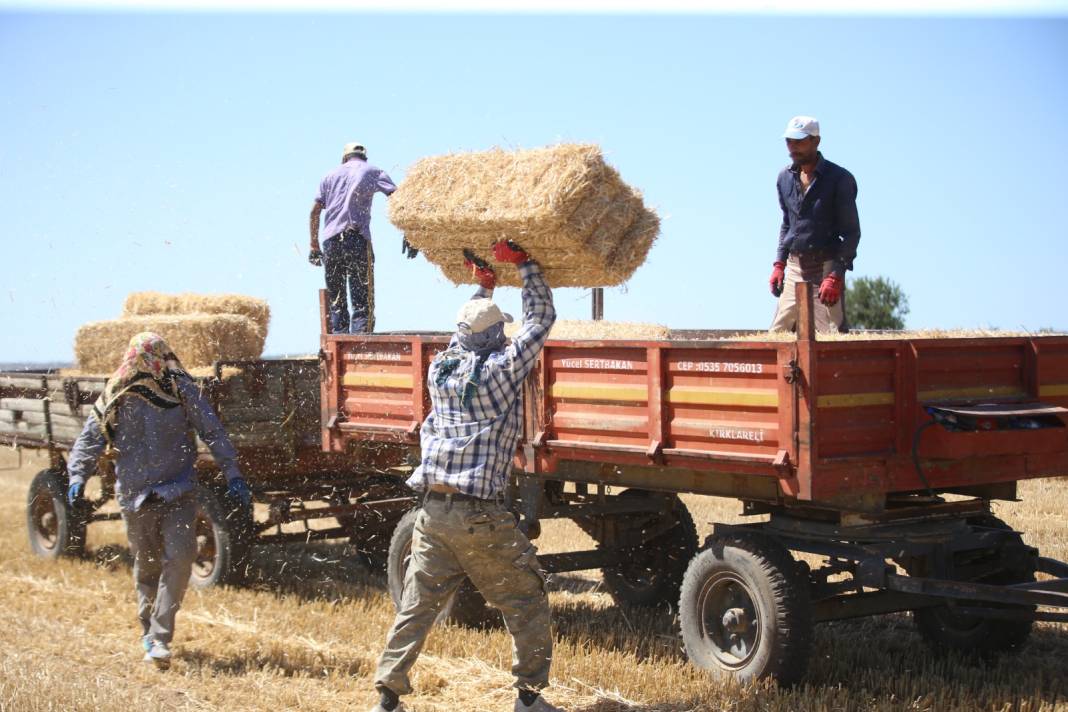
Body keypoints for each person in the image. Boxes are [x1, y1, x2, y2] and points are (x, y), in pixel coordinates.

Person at [371, 241, 563, 712]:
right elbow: (540, 321)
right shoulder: (501, 369)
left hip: (432, 513)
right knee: (526, 599)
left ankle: (387, 694)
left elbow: (467, 332)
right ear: (497, 336)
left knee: (418, 605)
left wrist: (485, 284)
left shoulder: (441, 367)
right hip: (479, 514)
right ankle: (529, 698)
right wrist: (526, 266)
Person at [65, 332, 251, 670]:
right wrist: (77, 476)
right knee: (147, 565)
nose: (150, 364)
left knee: (181, 556)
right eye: (145, 357)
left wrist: (232, 471)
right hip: (134, 494)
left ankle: (161, 638)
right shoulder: (117, 393)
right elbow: (90, 438)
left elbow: (212, 430)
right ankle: (147, 631)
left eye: (156, 356)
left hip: (177, 490)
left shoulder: (181, 389)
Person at [768, 116, 861, 333]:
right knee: (778, 333)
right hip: (795, 265)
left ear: (816, 141)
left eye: (799, 141)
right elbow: (787, 224)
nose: (793, 147)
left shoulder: (840, 179)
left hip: (826, 264)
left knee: (831, 333)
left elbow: (851, 233)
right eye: (789, 141)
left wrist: (835, 275)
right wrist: (779, 263)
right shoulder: (784, 178)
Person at [309, 141, 410, 334]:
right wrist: (409, 231)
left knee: (336, 298)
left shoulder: (329, 176)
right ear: (364, 157)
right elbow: (399, 199)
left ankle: (339, 340)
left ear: (344, 157)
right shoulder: (372, 171)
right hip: (356, 238)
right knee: (362, 299)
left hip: (331, 242)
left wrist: (314, 246)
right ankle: (360, 343)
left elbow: (314, 212)